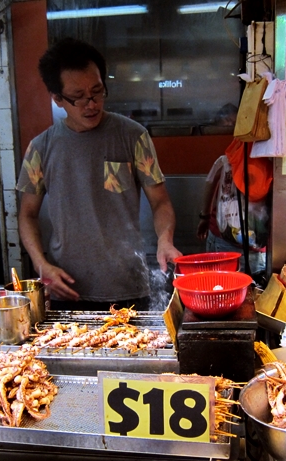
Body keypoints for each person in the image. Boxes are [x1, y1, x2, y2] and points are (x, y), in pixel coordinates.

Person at [17, 38, 181, 311]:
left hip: (128, 288)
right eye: (78, 97)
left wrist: (165, 240)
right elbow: (27, 214)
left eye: (97, 92)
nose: (91, 104)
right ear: (57, 98)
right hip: (68, 292)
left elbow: (160, 202)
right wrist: (41, 263)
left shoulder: (133, 136)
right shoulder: (41, 148)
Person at [196, 141, 270, 276]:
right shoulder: (272, 163)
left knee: (220, 287)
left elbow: (210, 181)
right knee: (253, 288)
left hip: (223, 239)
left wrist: (205, 216)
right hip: (258, 247)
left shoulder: (226, 161)